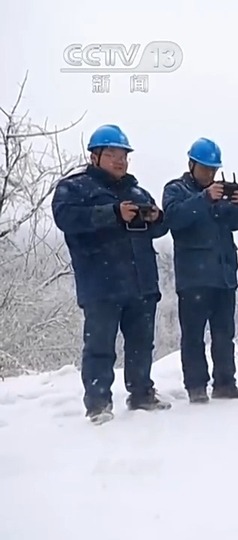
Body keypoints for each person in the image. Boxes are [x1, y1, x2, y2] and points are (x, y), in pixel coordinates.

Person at [51, 124, 171, 424]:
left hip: (141, 282)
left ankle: (142, 393)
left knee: (142, 345)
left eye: (124, 155)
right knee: (100, 346)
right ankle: (98, 403)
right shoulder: (74, 188)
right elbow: (66, 218)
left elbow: (158, 229)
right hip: (100, 283)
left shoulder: (137, 190)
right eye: (113, 154)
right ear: (95, 156)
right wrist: (112, 213)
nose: (120, 160)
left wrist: (156, 218)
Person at [162, 138, 238, 403]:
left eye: (213, 169)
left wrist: (237, 204)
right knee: (193, 336)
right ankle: (196, 386)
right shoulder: (176, 190)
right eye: (205, 168)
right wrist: (203, 199)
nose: (210, 174)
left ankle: (225, 383)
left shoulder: (219, 191)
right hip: (193, 278)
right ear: (191, 164)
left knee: (225, 334)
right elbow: (173, 220)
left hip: (224, 276)